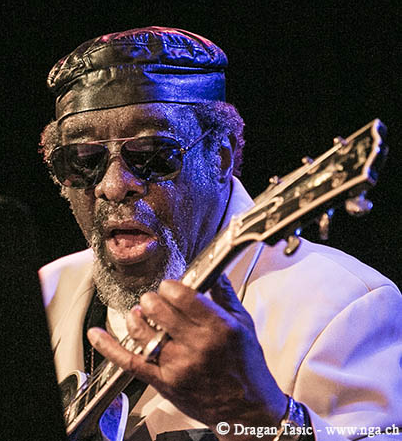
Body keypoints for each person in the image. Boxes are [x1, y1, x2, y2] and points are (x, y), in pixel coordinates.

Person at [39, 27, 402, 441]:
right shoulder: (46, 293)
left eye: (152, 154)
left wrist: (258, 417)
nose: (113, 185)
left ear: (221, 156)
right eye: (84, 160)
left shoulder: (344, 308)